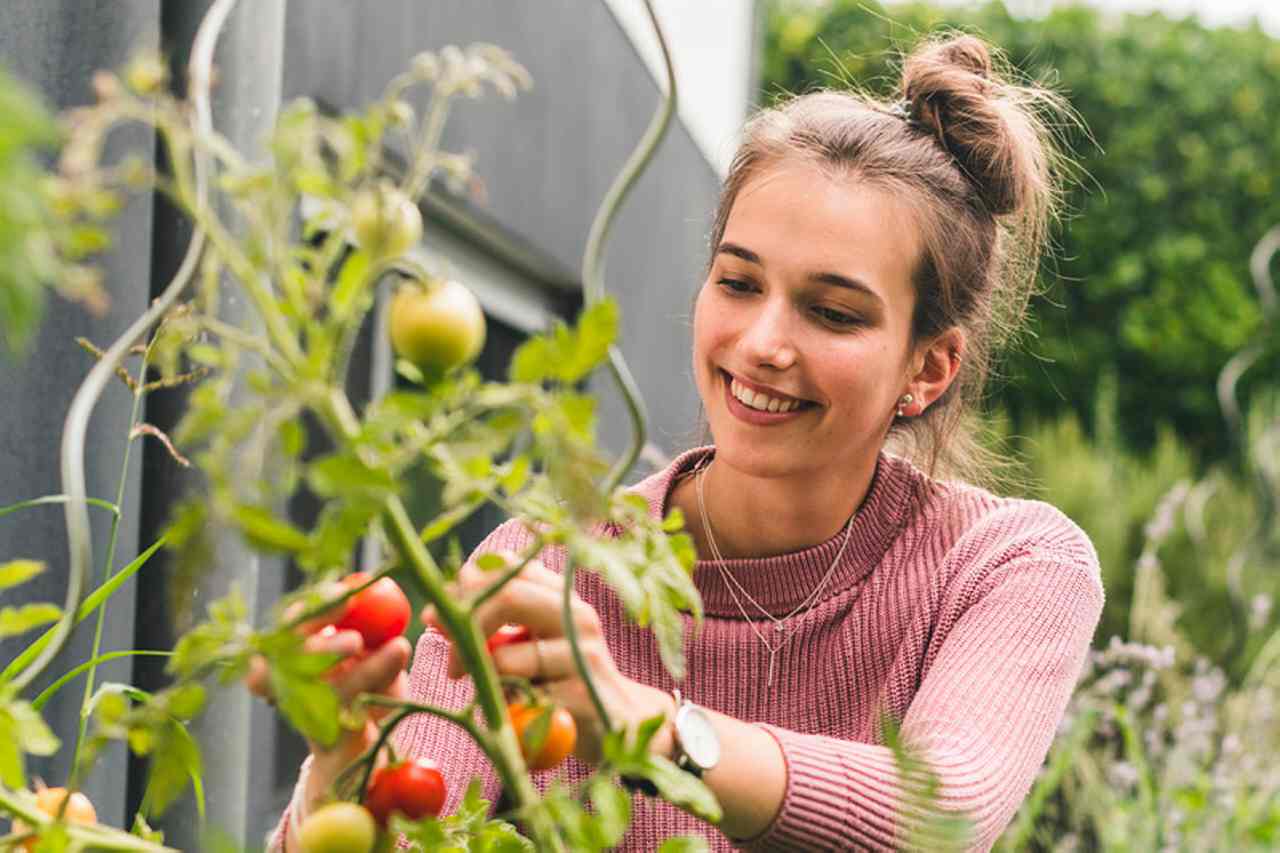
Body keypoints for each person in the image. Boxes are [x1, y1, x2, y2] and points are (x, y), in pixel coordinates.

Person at [266, 32, 1103, 852]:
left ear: (929, 368)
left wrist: (647, 727)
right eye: (739, 283)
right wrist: (344, 766)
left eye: (833, 311)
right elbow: (417, 833)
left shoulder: (1003, 566)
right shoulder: (545, 569)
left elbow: (940, 814)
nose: (763, 341)